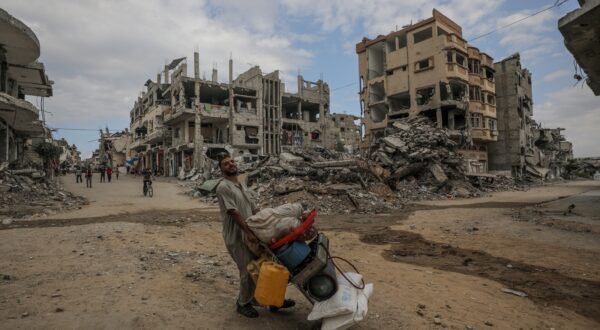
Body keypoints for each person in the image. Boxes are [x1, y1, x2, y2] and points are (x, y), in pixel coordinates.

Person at [215, 154, 295, 318]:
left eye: (231, 161)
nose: (230, 164)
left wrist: (268, 223)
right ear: (221, 169)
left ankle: (273, 301)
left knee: (266, 266)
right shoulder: (223, 187)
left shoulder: (241, 184)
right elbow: (233, 212)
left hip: (252, 232)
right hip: (237, 235)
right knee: (247, 270)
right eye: (226, 163)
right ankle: (243, 303)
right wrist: (248, 232)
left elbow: (254, 209)